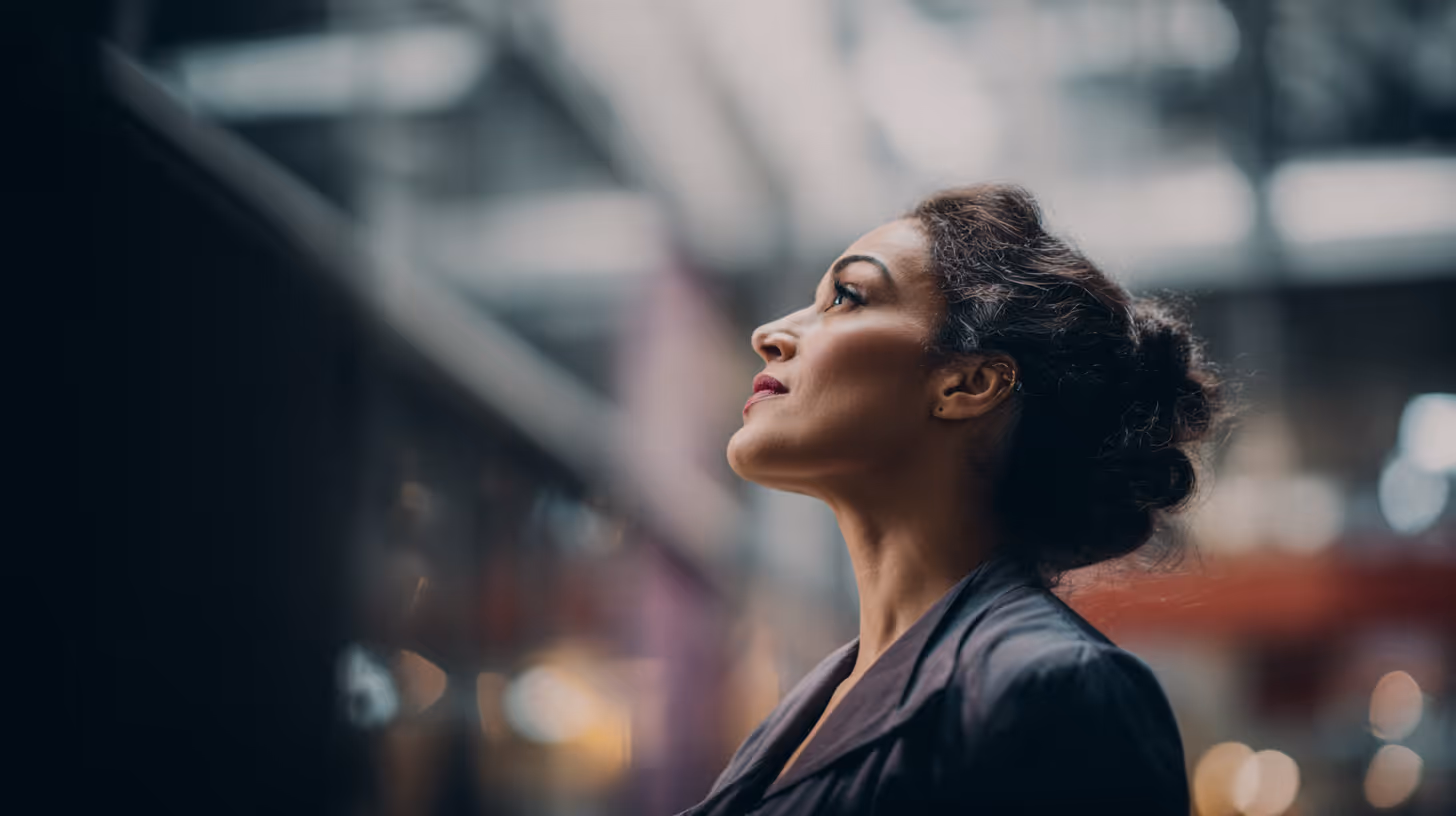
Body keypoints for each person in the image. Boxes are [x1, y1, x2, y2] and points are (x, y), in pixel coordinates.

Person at [680, 184, 1224, 815]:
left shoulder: (1057, 688)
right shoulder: (797, 716)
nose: (769, 334)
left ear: (970, 382)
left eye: (845, 299)